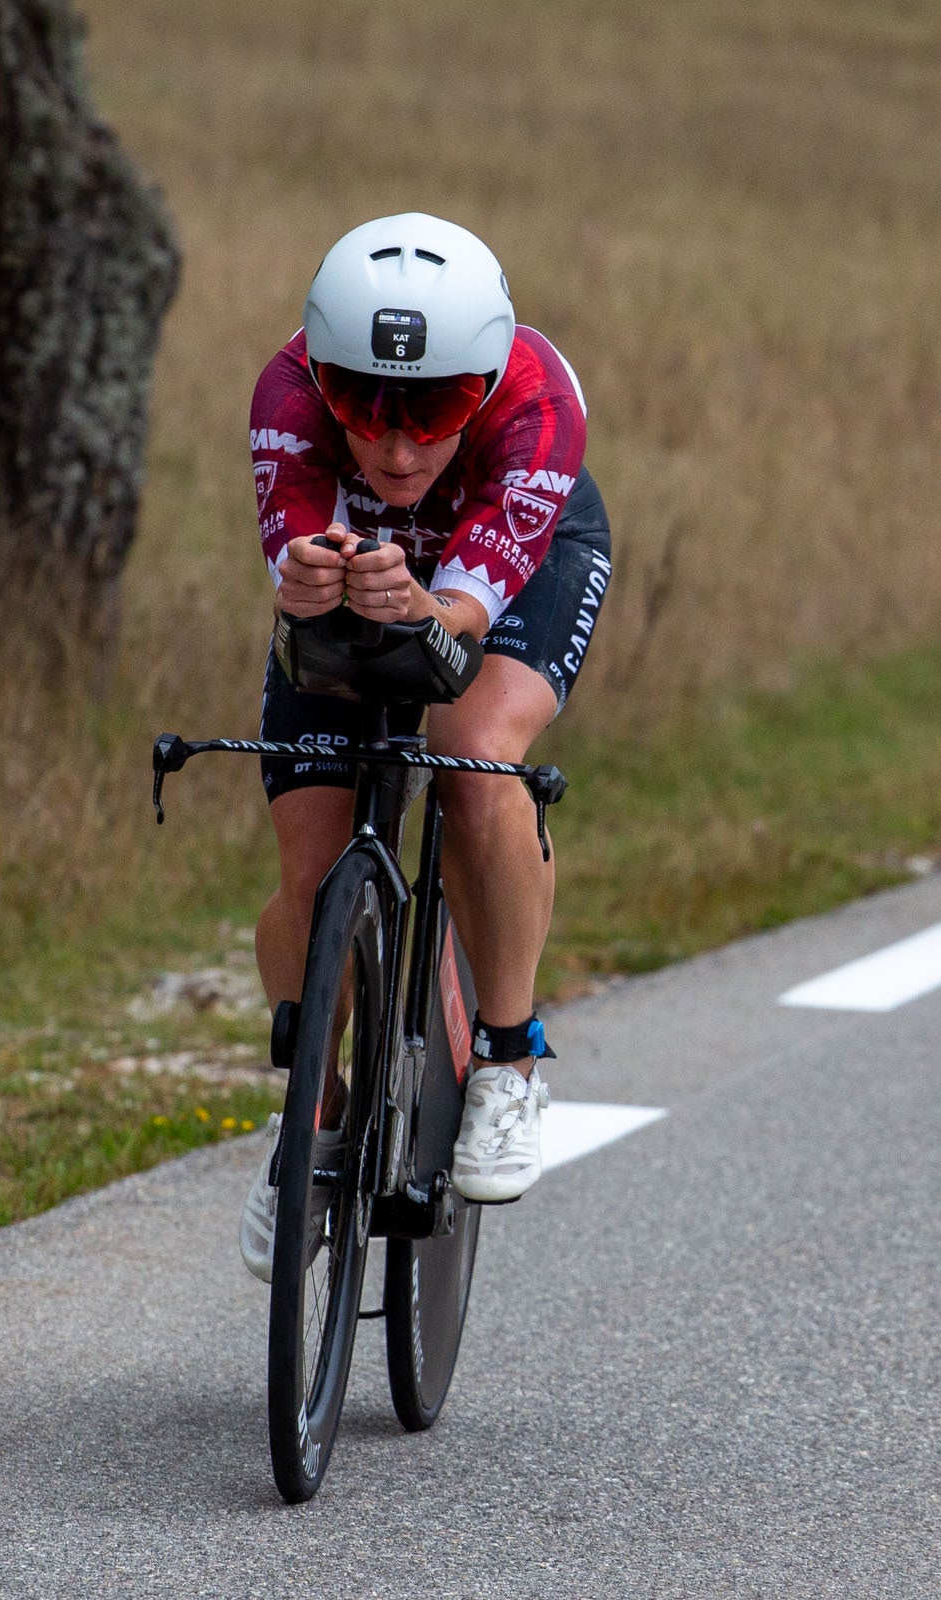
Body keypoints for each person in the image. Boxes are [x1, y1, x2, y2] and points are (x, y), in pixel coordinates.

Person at [237, 214, 613, 1278]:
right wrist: (309, 584)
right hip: (369, 573)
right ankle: (313, 1110)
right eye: (364, 407)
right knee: (310, 868)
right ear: (320, 377)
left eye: (437, 409)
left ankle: (505, 1055)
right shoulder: (283, 396)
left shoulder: (541, 401)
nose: (399, 448)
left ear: (486, 386)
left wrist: (426, 607)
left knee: (474, 751)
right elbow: (299, 570)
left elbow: (463, 617)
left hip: (507, 567)